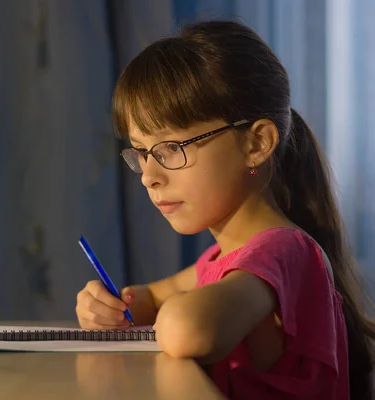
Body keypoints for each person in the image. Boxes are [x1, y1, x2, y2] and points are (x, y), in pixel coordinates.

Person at [75, 20, 375, 399]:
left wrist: (168, 313)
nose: (149, 176)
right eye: (142, 153)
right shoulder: (225, 258)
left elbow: (187, 331)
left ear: (257, 144)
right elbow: (150, 297)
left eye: (171, 148)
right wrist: (111, 306)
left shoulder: (284, 252)